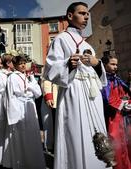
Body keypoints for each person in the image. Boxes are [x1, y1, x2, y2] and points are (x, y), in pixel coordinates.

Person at [43, 2, 111, 169]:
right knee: (77, 133)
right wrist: (68, 64)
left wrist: (96, 64)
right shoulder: (60, 39)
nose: (86, 16)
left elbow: (99, 76)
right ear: (70, 16)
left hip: (92, 94)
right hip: (74, 92)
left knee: (97, 133)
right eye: (82, 13)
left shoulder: (87, 44)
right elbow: (50, 68)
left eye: (87, 14)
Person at [2, 55, 46, 169]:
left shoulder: (26, 76)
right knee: (22, 134)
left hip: (30, 107)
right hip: (20, 107)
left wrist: (31, 84)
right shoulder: (12, 77)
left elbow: (37, 93)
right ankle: (22, 161)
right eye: (20, 63)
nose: (23, 65)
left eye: (24, 63)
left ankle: (31, 159)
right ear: (15, 65)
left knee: (32, 133)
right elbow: (12, 95)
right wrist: (14, 114)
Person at [101, 53, 131, 169]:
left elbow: (124, 94)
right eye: (112, 64)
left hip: (122, 118)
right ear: (104, 65)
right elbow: (107, 99)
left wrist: (128, 102)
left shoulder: (117, 79)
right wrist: (121, 105)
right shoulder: (104, 81)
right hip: (112, 118)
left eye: (116, 64)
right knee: (116, 146)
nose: (115, 67)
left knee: (125, 146)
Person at [41, 79, 58, 153]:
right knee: (55, 125)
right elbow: (46, 79)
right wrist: (48, 96)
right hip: (57, 96)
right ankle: (55, 145)